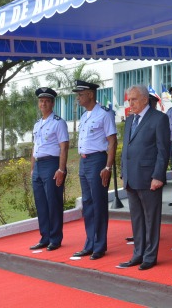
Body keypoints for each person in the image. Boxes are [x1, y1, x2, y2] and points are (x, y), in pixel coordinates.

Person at [117, 85, 170, 271]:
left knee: (151, 219)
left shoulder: (159, 119)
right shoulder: (130, 120)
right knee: (137, 219)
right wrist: (124, 173)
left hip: (149, 178)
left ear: (145, 99)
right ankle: (137, 253)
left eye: (134, 99)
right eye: (129, 99)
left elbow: (163, 151)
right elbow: (126, 149)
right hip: (132, 177)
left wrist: (158, 175)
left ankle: (150, 255)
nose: (130, 103)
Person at [72, 80, 117, 260]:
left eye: (81, 94)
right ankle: (89, 242)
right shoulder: (84, 116)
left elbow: (112, 141)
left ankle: (99, 245)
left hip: (98, 160)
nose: (78, 98)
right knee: (87, 204)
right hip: (84, 162)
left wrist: (107, 166)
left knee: (98, 203)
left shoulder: (104, 115)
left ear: (90, 94)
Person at [29, 87, 69, 251]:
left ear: (52, 103)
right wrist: (32, 168)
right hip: (38, 165)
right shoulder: (37, 124)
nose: (43, 104)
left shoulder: (58, 123)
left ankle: (55, 238)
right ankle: (44, 236)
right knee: (41, 204)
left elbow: (64, 147)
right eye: (41, 101)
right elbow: (35, 147)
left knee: (53, 202)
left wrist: (61, 169)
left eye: (46, 101)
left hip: (52, 164)